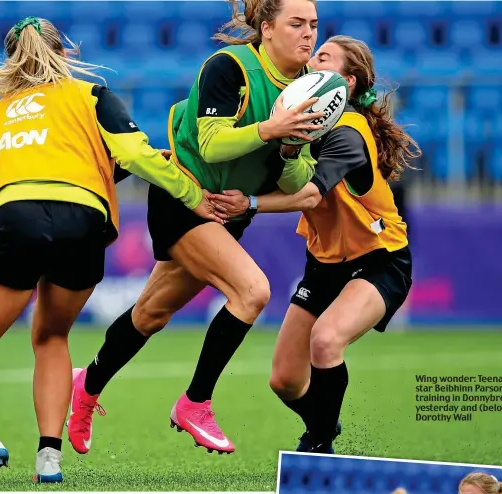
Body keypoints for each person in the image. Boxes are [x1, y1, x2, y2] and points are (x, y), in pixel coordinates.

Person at [0, 16, 219, 487]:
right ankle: (49, 458)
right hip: (85, 223)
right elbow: (128, 158)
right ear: (65, 54)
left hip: (19, 217)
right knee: (50, 337)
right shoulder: (91, 94)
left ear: (13, 65)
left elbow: (40, 172)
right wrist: (193, 197)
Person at [67, 0, 323, 456]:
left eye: (314, 26)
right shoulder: (229, 67)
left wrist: (287, 150)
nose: (309, 35)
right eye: (297, 24)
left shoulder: (311, 91)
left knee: (150, 314)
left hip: (225, 214)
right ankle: (195, 402)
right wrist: (269, 129)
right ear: (266, 29)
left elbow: (300, 178)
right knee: (253, 292)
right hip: (184, 195)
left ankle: (85, 386)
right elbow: (209, 145)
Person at [208, 35, 421, 454]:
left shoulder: (348, 132)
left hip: (379, 260)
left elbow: (309, 195)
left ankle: (318, 449)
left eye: (323, 57)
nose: (310, 59)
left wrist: (248, 204)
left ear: (349, 83)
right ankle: (327, 422)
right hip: (325, 263)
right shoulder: (299, 126)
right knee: (284, 380)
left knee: (326, 340)